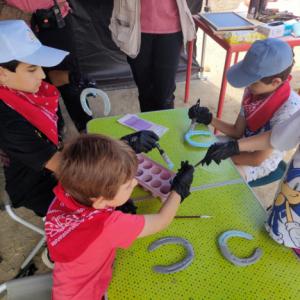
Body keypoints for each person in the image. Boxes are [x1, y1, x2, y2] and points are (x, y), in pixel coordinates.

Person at [0, 20, 159, 216]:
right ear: (2, 74)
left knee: (114, 187)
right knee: (110, 197)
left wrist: (75, 78)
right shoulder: (8, 122)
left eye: (40, 66)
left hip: (55, 159)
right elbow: (69, 168)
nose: (42, 75)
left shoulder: (20, 88)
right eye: (32, 69)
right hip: (37, 185)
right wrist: (124, 146)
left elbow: (53, 77)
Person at [45, 134, 194, 300]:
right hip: (87, 294)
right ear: (101, 202)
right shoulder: (107, 225)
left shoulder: (66, 191)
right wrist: (179, 191)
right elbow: (161, 221)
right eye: (128, 185)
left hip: (65, 286)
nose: (136, 183)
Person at [188, 38, 300, 182]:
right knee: (197, 150)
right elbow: (237, 131)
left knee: (218, 179)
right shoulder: (253, 91)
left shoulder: (289, 109)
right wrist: (210, 119)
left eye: (252, 82)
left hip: (260, 162)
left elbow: (257, 159)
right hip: (240, 144)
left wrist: (224, 157)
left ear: (275, 82)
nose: (247, 86)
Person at [199, 110, 300, 257]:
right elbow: (276, 138)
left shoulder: (288, 105)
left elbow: (257, 158)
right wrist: (234, 147)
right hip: (282, 215)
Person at [1, 0, 94, 132]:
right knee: (36, 88)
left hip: (54, 18)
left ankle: (87, 132)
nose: (42, 73)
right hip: (14, 30)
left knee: (70, 83)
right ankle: (55, 131)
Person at [109, 0, 196, 112]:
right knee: (145, 91)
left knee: (164, 94)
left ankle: (165, 127)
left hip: (171, 30)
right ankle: (148, 128)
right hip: (135, 30)